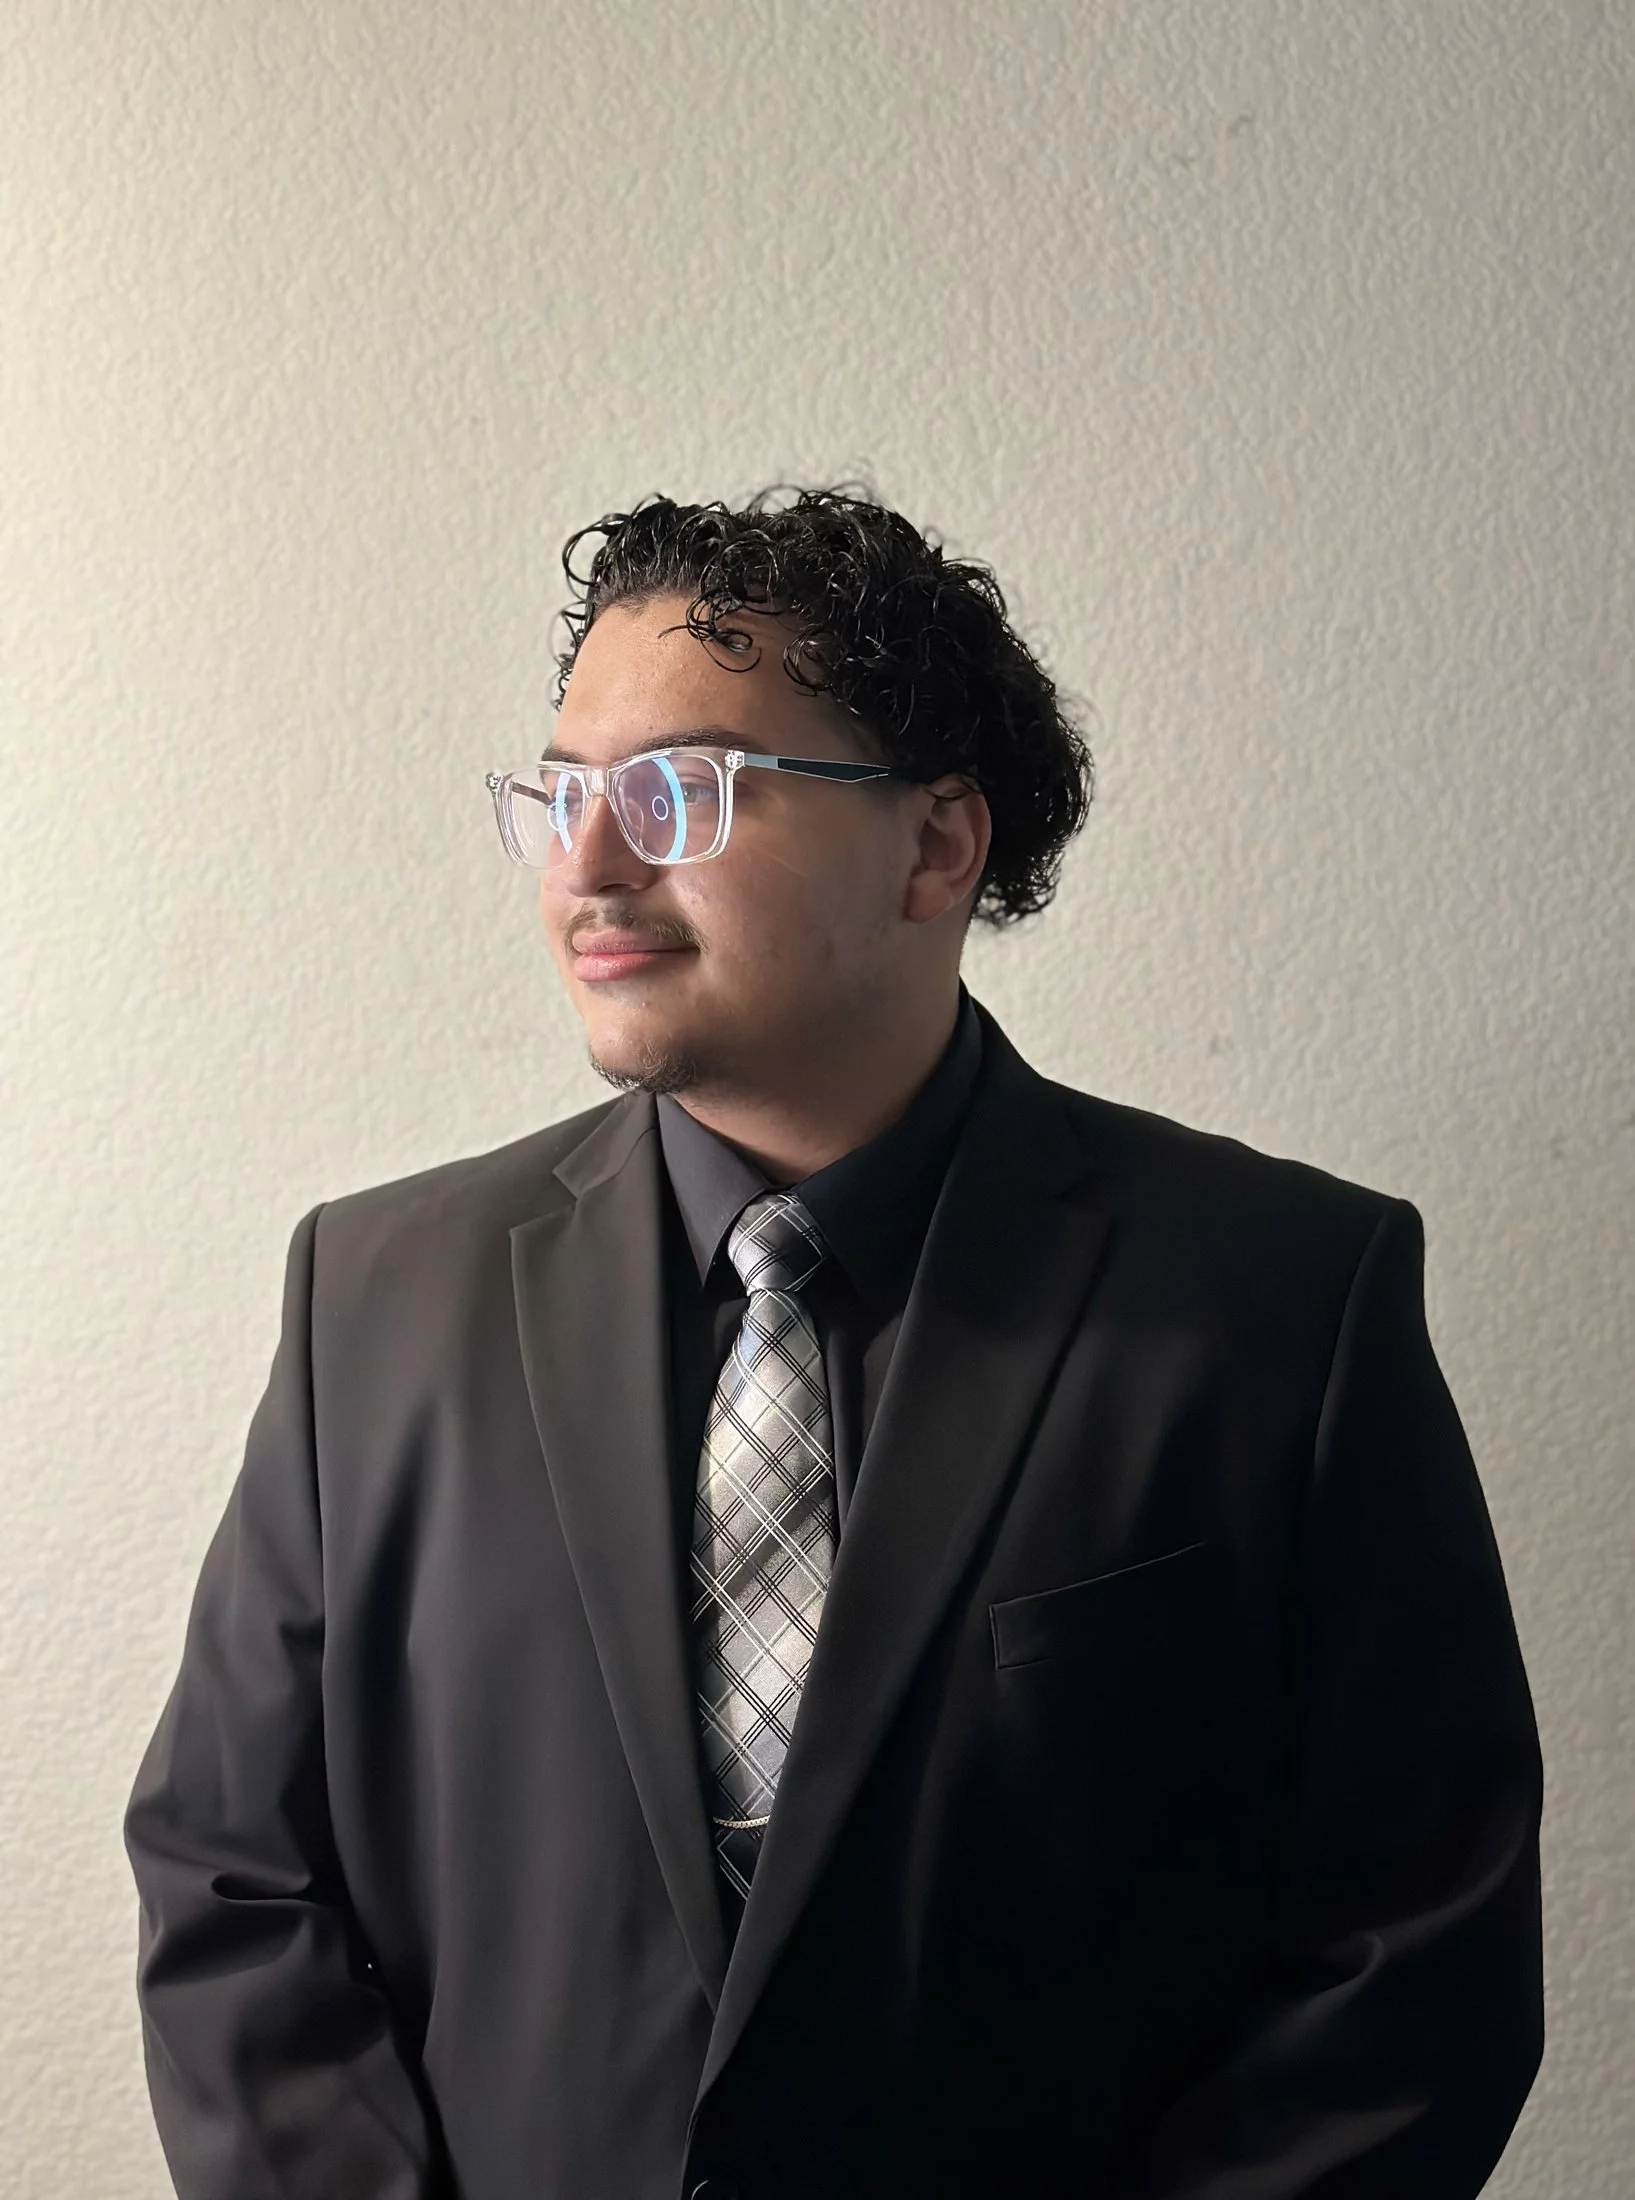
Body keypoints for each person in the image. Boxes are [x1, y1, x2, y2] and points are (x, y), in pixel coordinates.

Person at [125, 487, 1543, 2200]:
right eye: (561, 795)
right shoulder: (375, 1298)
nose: (588, 865)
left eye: (679, 790)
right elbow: (234, 1880)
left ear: (935, 847)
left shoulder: (1280, 1298)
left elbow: (1411, 1946)